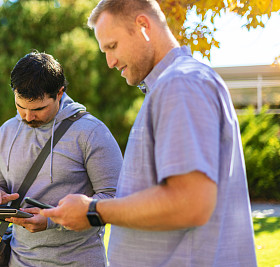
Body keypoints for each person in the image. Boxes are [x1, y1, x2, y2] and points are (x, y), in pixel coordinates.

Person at [41, 1, 258, 266]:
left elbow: (190, 203)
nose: (109, 62)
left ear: (143, 25)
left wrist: (93, 211)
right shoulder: (174, 86)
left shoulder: (180, 84)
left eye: (112, 46)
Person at [0, 51, 123, 266]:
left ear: (60, 93)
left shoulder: (92, 132)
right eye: (20, 106)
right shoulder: (6, 132)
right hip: (18, 260)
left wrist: (52, 221)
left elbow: (116, 198)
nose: (27, 117)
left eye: (38, 109)